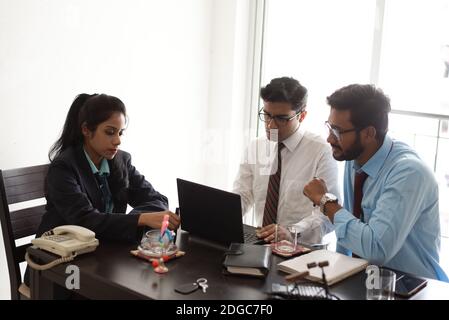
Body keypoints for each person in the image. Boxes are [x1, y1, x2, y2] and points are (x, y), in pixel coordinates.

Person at [303, 84, 448, 281]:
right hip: (364, 280)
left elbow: (376, 249)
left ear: (369, 133)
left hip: (411, 286)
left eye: (337, 131)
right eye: (329, 127)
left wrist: (325, 201)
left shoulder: (408, 173)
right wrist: (338, 276)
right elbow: (352, 224)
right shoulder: (354, 156)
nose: (329, 138)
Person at [36, 93, 180, 242]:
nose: (118, 141)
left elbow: (158, 200)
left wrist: (134, 220)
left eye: (120, 133)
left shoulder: (122, 161)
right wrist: (140, 219)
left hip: (103, 251)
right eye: (110, 132)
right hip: (58, 257)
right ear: (86, 129)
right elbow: (86, 220)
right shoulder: (63, 168)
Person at [233, 77, 339, 244]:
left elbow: (329, 216)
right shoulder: (255, 147)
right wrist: (221, 216)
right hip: (259, 243)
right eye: (267, 115)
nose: (270, 125)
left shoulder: (321, 151)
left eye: (281, 119)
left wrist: (292, 232)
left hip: (300, 252)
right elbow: (243, 196)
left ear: (302, 115)